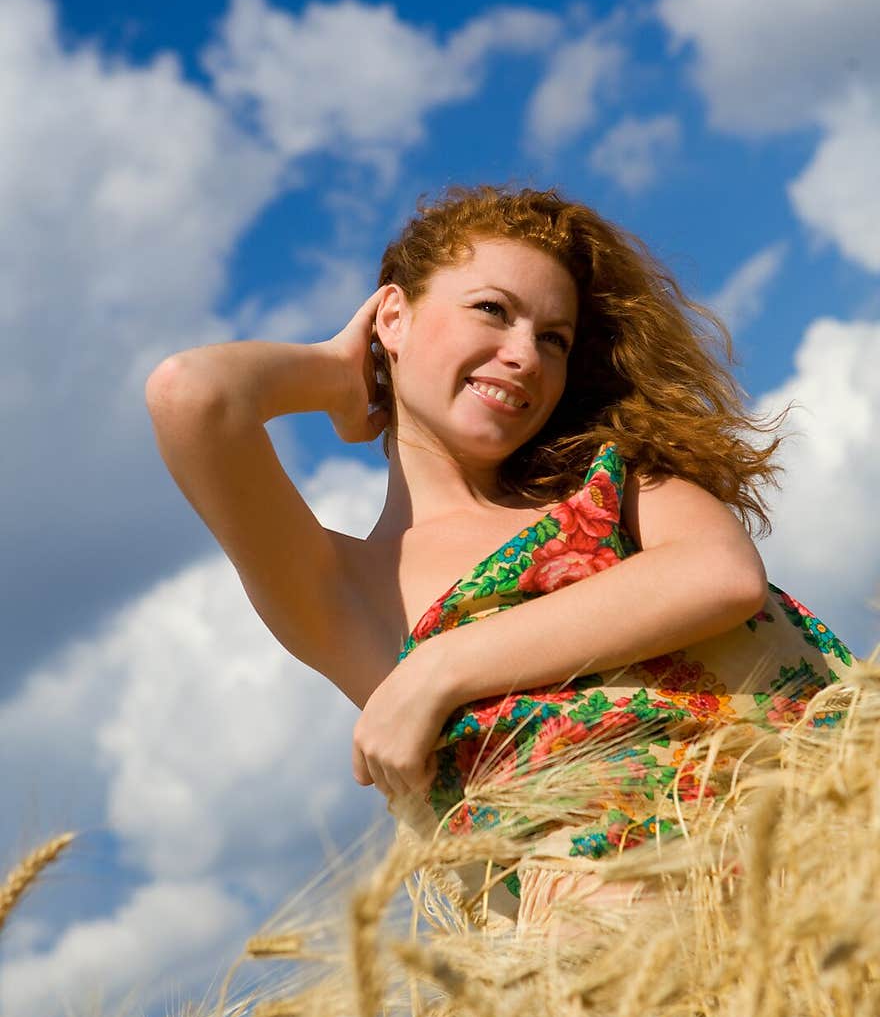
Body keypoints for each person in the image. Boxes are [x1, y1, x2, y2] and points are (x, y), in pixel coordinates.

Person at [145, 184, 855, 935]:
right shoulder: (349, 593)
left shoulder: (616, 484)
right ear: (392, 315)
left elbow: (720, 577)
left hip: (829, 877)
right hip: (631, 982)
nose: (523, 355)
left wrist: (437, 670)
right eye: (491, 310)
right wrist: (336, 371)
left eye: (554, 338)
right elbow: (191, 394)